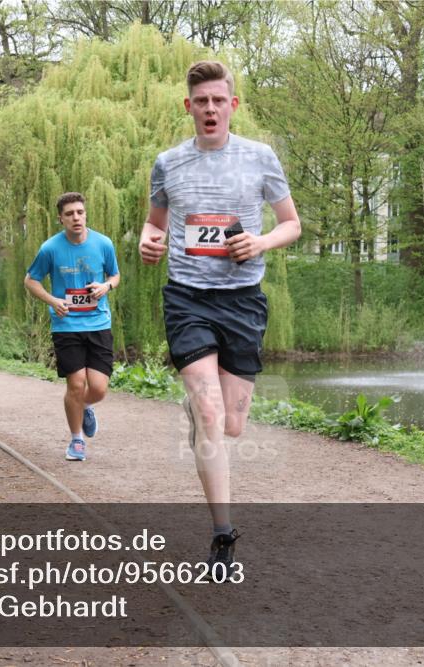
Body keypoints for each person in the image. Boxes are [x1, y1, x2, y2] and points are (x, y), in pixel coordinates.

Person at [139, 61, 301, 571]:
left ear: (233, 105)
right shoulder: (168, 163)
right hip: (187, 298)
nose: (210, 108)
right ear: (188, 107)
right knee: (209, 414)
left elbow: (292, 224)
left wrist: (261, 241)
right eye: (200, 101)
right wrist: (147, 242)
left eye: (218, 100)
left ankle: (206, 412)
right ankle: (223, 534)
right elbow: (154, 226)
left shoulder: (260, 158)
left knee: (232, 425)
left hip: (243, 300)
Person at [25, 192, 120, 462]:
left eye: (79, 212)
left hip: (98, 322)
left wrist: (106, 286)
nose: (76, 217)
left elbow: (115, 275)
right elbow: (30, 281)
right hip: (66, 325)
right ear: (61, 219)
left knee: (99, 388)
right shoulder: (50, 249)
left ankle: (86, 406)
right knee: (76, 385)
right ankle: (77, 440)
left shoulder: (103, 244)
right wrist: (53, 300)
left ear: (85, 214)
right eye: (69, 214)